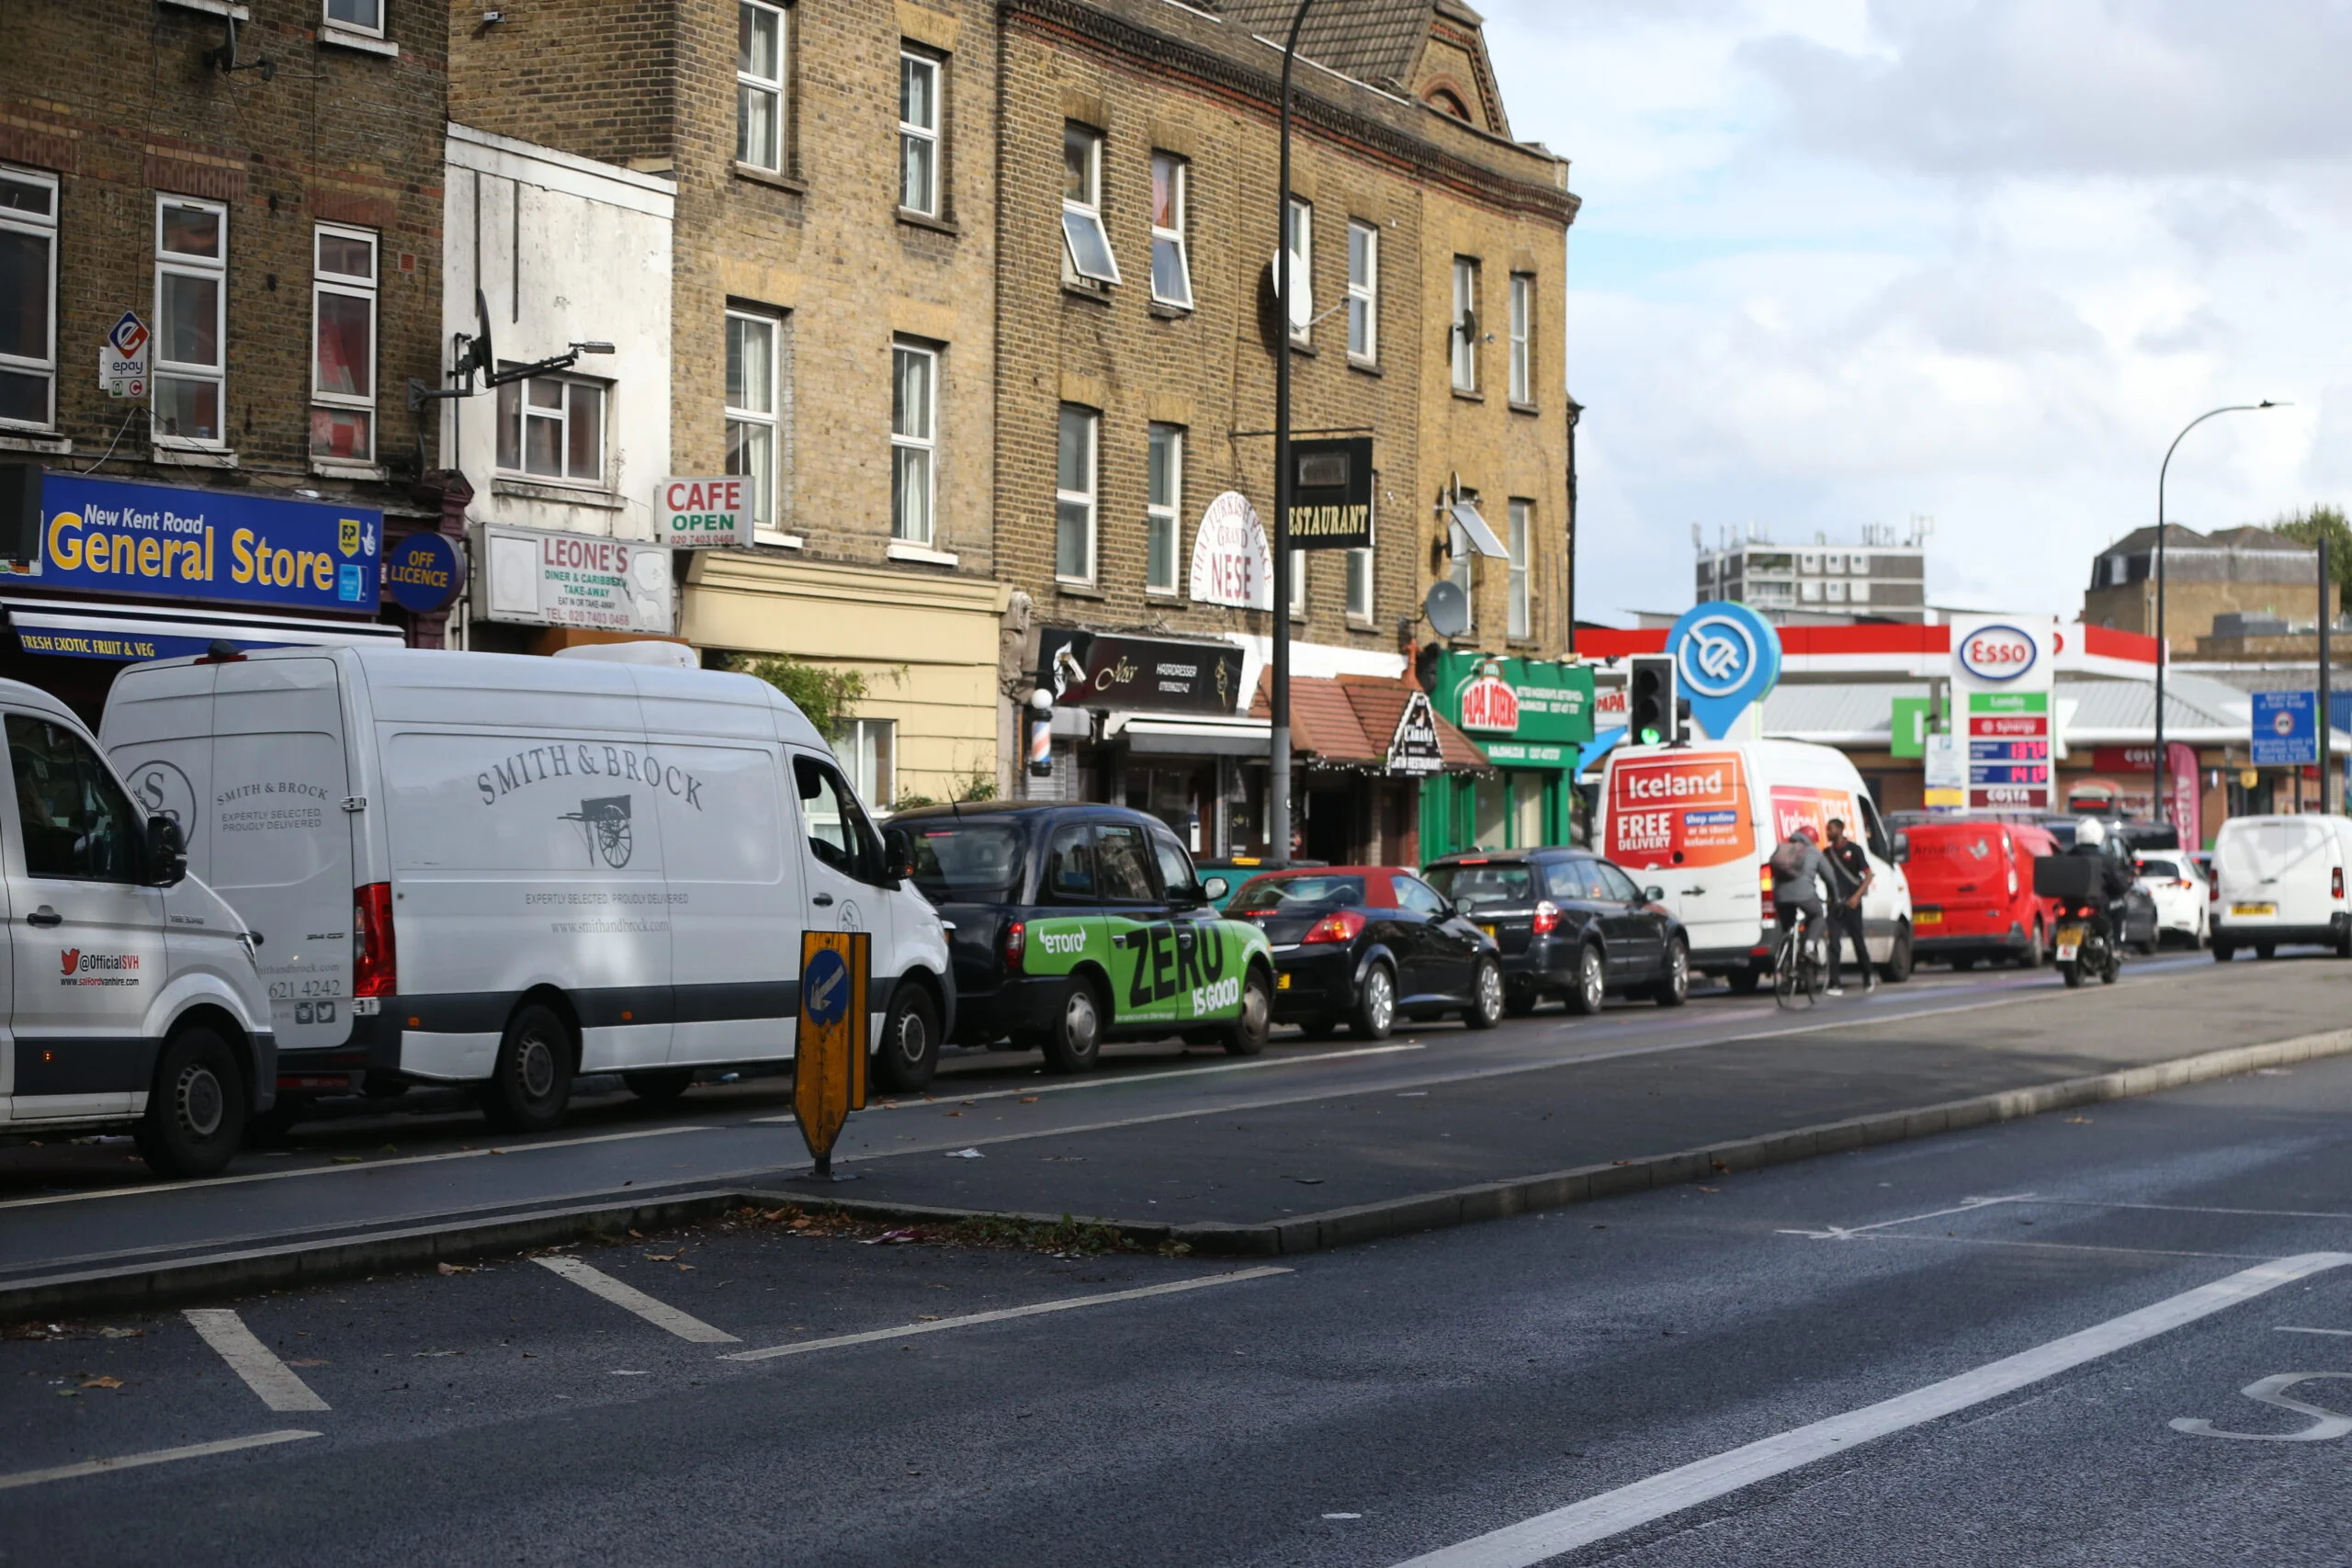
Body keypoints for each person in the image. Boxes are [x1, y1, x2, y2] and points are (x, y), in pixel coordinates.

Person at [1821, 818, 1876, 997]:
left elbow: (1868, 875)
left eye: (1831, 829)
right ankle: (1835, 982)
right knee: (1834, 945)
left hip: (1852, 904)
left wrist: (1856, 897)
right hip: (1835, 906)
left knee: (1858, 942)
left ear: (1840, 830)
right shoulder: (1826, 853)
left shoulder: (1854, 850)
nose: (1828, 833)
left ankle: (1868, 976)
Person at [1768, 825, 1828, 976]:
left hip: (1780, 897)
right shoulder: (1814, 852)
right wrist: (1836, 895)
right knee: (1817, 915)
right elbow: (1831, 878)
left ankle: (1786, 961)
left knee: (1788, 927)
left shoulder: (1782, 848)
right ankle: (1808, 947)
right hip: (1805, 896)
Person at [2067, 818, 2135, 950]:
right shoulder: (2105, 859)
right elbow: (2118, 883)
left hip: (2071, 905)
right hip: (2097, 906)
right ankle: (2116, 946)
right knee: (2120, 906)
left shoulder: (2068, 856)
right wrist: (2126, 884)